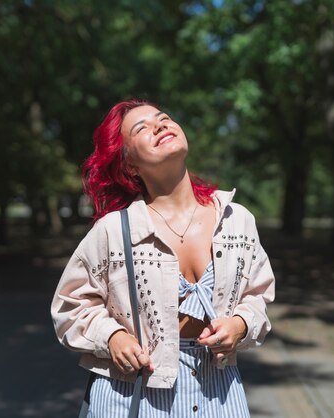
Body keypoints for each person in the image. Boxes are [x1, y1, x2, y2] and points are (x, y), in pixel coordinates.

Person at [51, 99, 275, 417]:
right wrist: (112, 337)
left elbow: (257, 298)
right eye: (142, 128)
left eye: (164, 118)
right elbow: (70, 306)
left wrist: (239, 325)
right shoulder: (114, 230)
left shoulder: (236, 220)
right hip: (131, 395)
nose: (159, 125)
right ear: (129, 164)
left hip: (220, 391)